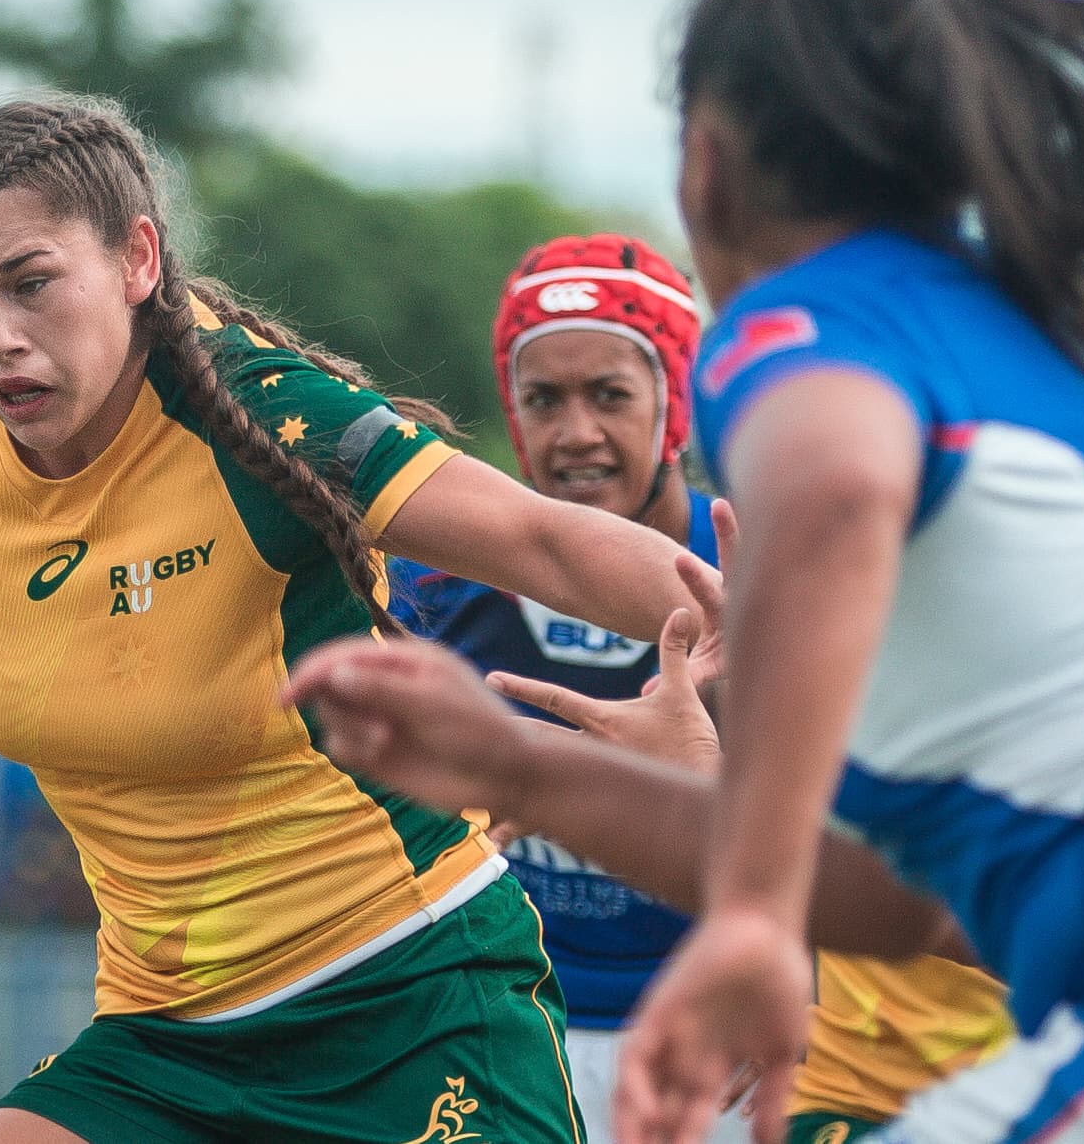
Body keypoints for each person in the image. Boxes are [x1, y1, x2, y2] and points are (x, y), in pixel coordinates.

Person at [285, 0, 1084, 1141]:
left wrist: (742, 910)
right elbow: (896, 904)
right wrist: (516, 764)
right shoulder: (1036, 340)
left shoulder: (809, 327)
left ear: (703, 163)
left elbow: (840, 487)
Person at [0, 95, 712, 1143]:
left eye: (31, 283)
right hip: (167, 1038)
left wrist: (771, 636)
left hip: (406, 995)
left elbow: (545, 540)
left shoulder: (263, 420)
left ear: (136, 259)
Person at [390, 234, 1010, 1142]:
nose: (576, 434)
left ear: (675, 405)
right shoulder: (435, 584)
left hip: (717, 1039)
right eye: (543, 399)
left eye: (610, 394)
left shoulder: (767, 571)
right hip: (512, 1027)